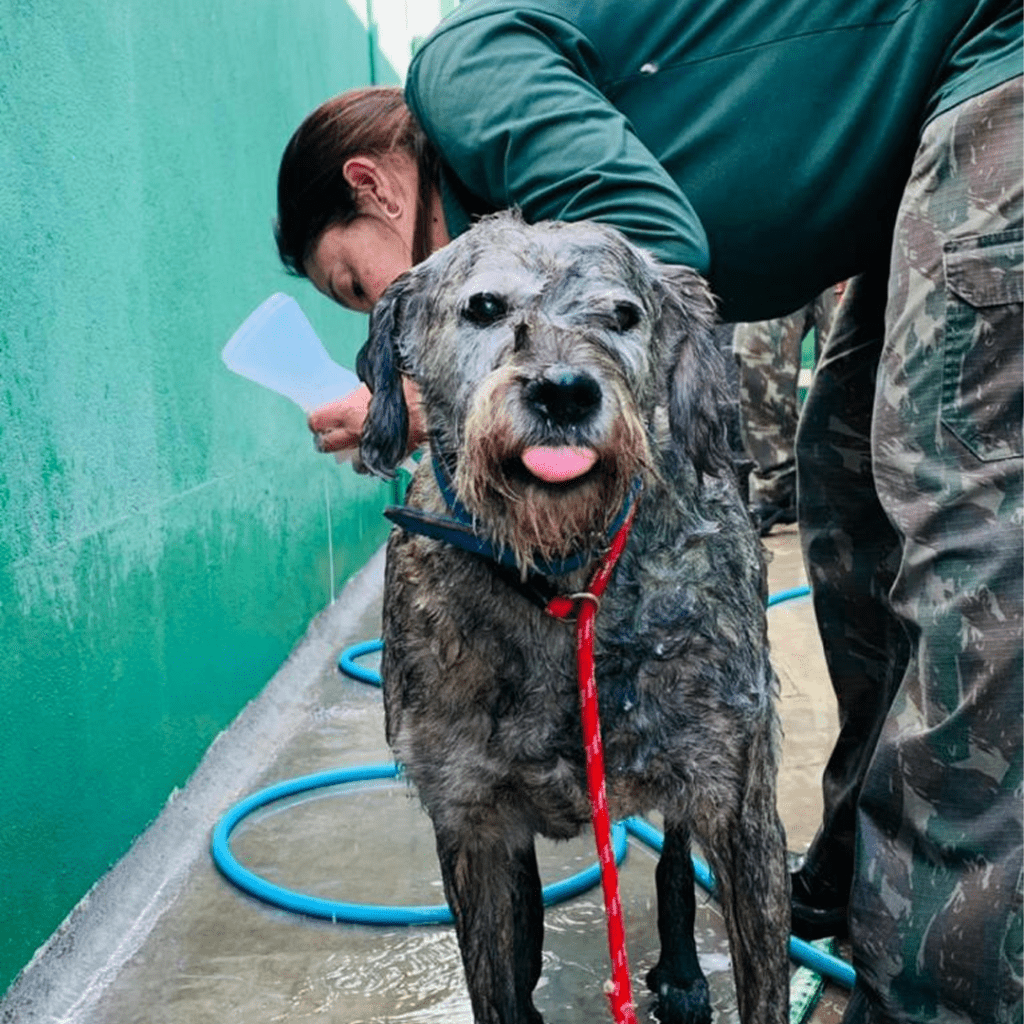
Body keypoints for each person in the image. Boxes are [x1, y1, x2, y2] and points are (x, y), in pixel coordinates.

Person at [274, 3, 1023, 1022]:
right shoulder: (511, 186)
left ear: (375, 184)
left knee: (958, 512)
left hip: (991, 57)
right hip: (911, 144)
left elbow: (658, 247)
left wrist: (430, 396)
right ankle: (864, 874)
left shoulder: (457, 70)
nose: (382, 319)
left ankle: (945, 990)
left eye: (359, 285)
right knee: (842, 483)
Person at [734, 285, 845, 535]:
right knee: (758, 353)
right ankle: (776, 489)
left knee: (848, 361)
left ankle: (845, 490)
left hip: (863, 252)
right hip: (777, 251)